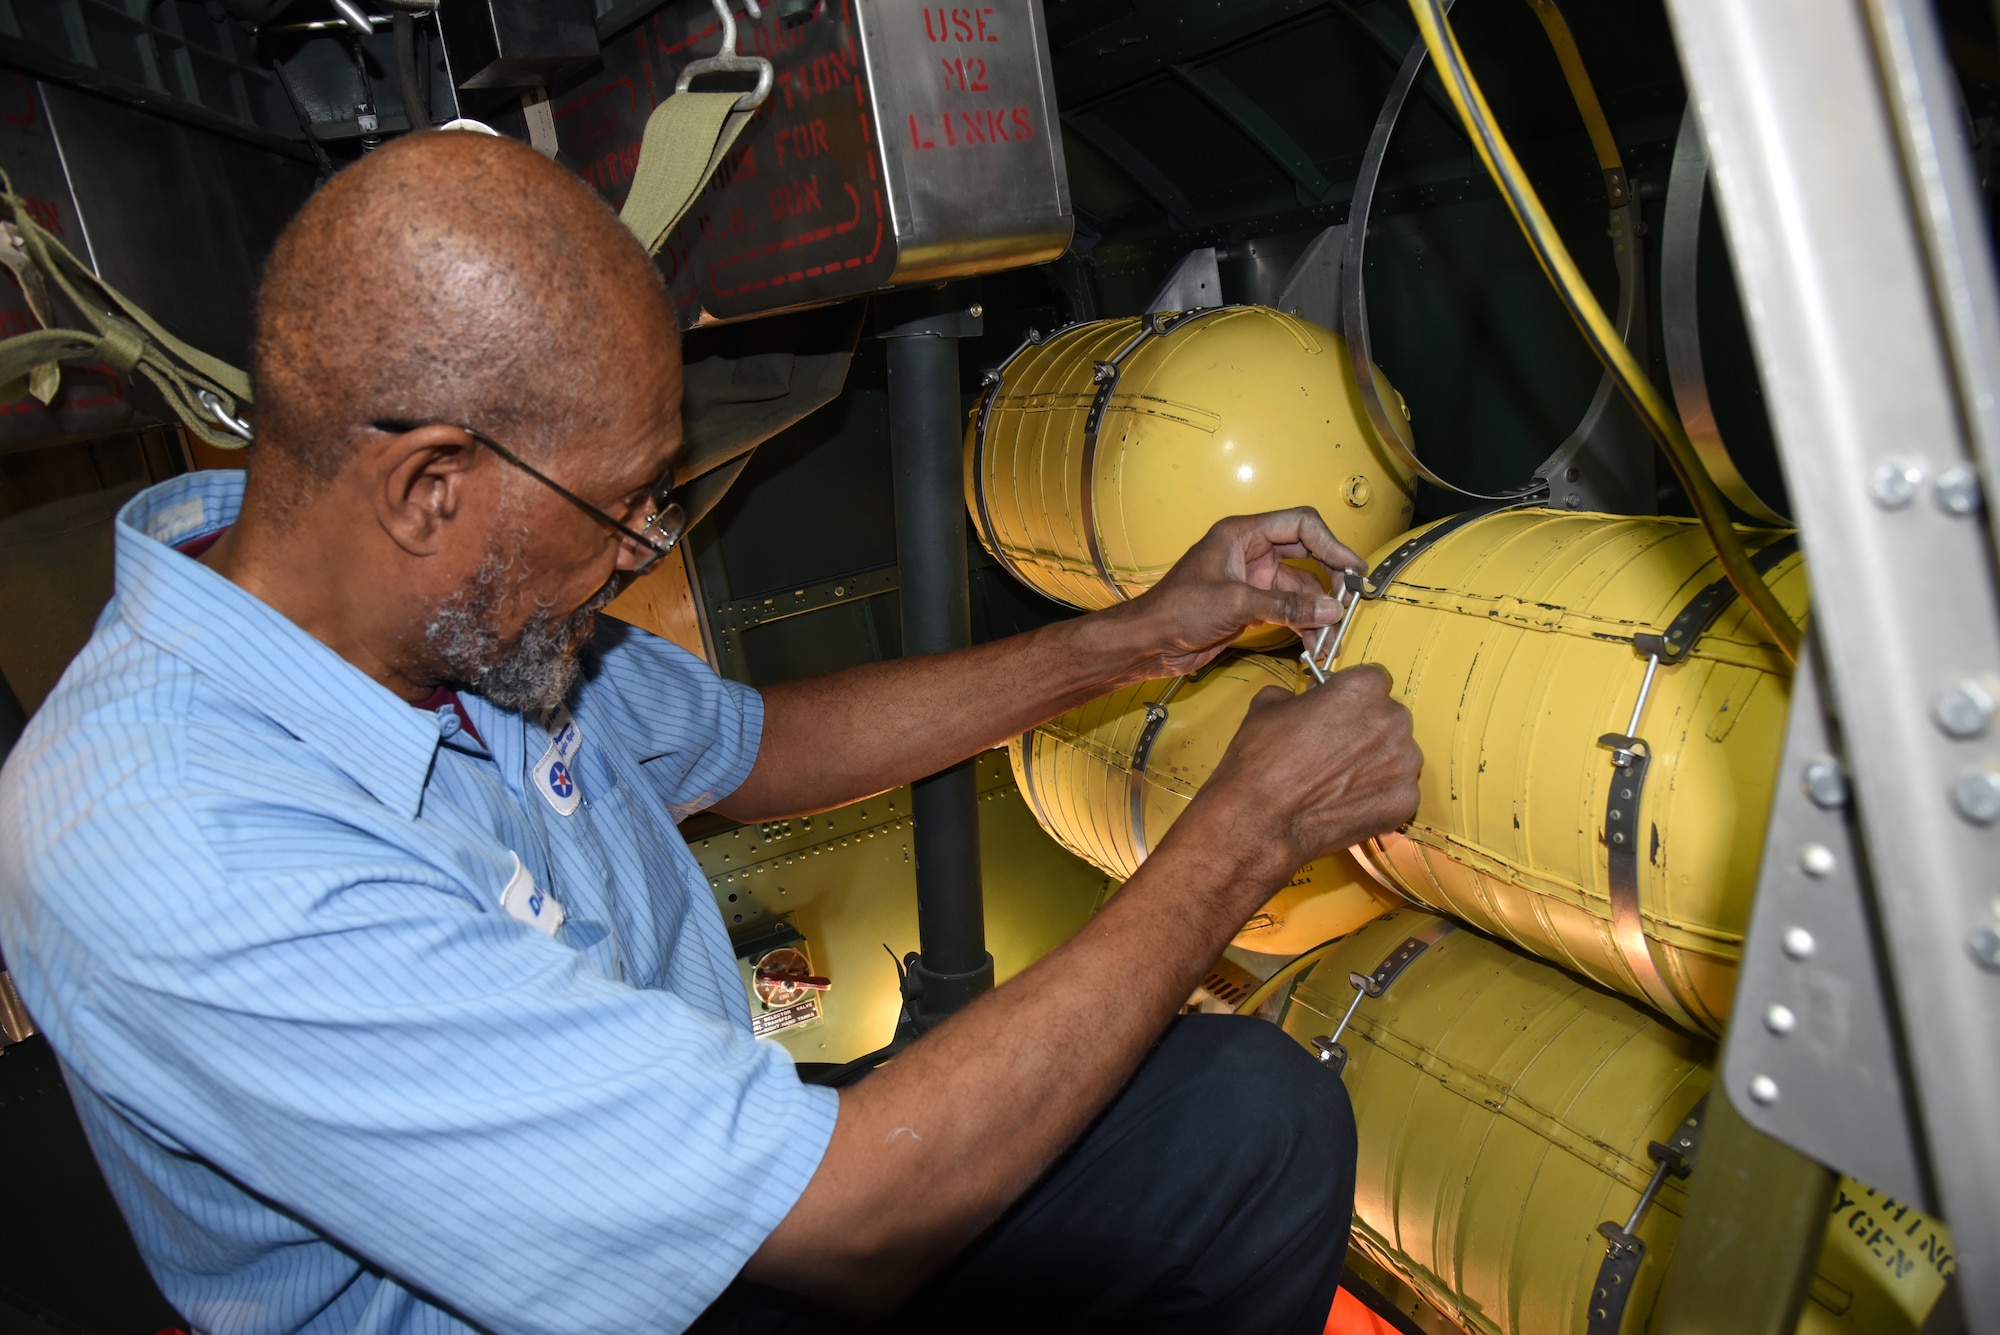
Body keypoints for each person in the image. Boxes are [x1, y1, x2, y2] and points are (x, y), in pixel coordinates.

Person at [0, 132, 1420, 1335]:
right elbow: (854, 1216)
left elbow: (761, 746)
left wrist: (1141, 638)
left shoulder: (434, 618)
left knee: (1248, 1127)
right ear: (431, 491)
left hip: (704, 1164)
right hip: (623, 1280)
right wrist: (1242, 838)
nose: (642, 551)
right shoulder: (175, 846)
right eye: (628, 504)